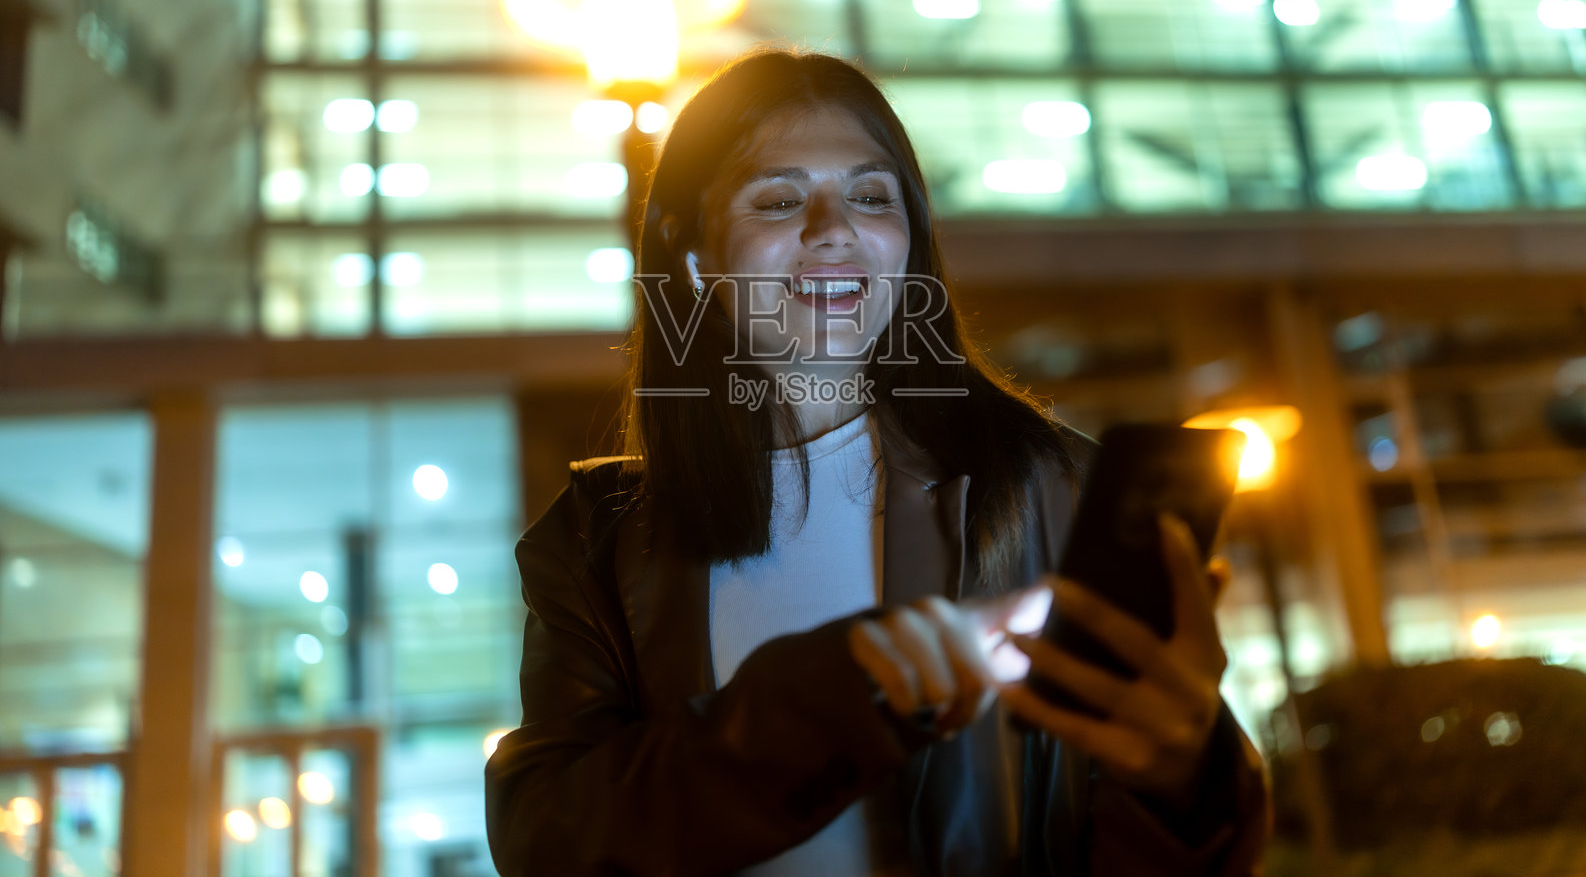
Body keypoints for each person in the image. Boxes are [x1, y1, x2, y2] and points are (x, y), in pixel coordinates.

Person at [485, 48, 1268, 876]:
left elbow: (1158, 834)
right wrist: (837, 697)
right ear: (693, 256)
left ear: (908, 243)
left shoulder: (1049, 484)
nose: (834, 229)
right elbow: (550, 840)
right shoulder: (594, 540)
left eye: (870, 195)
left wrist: (1189, 775)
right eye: (780, 198)